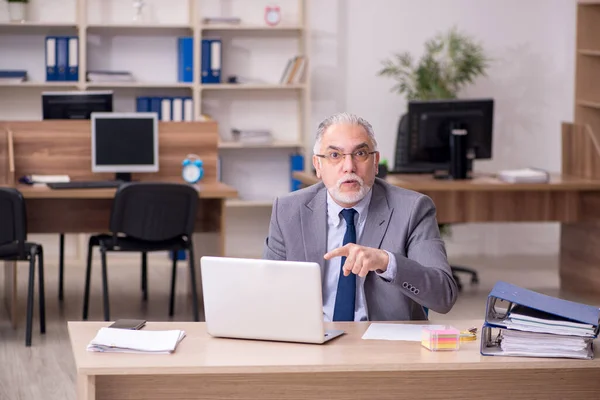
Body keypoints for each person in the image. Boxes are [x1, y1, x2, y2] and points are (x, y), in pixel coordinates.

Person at [263, 112, 458, 321]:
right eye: (335, 155)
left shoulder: (413, 209)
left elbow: (443, 295)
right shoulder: (288, 210)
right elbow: (268, 293)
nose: (349, 167)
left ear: (375, 162)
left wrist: (387, 262)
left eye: (360, 153)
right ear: (318, 166)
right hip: (313, 339)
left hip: (384, 344)